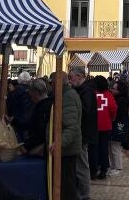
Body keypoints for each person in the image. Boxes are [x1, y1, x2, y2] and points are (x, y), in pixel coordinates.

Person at [52, 72, 82, 200]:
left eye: (52, 82)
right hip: (65, 149)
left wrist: (59, 143)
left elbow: (72, 126)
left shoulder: (68, 97)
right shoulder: (64, 95)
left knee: (67, 187)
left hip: (66, 150)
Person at [68, 66, 97, 200]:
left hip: (84, 133)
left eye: (71, 77)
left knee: (82, 165)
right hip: (83, 132)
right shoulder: (83, 89)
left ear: (79, 76)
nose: (70, 80)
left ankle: (84, 195)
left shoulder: (87, 90)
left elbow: (84, 110)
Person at [92, 76, 116, 180]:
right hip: (106, 126)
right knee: (104, 148)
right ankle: (103, 170)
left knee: (93, 148)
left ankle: (93, 169)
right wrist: (112, 118)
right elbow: (113, 108)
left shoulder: (92, 94)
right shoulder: (109, 94)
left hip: (93, 126)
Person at [23, 78, 53, 156]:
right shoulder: (43, 105)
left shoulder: (44, 107)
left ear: (36, 93)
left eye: (30, 92)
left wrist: (27, 146)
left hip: (41, 148)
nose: (29, 95)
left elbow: (40, 132)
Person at [108, 79, 129, 176]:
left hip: (118, 125)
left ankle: (117, 167)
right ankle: (113, 166)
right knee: (112, 146)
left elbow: (118, 114)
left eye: (114, 89)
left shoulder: (121, 100)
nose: (112, 90)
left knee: (115, 147)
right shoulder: (119, 98)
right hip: (117, 125)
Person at [7, 71, 35, 144]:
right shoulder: (32, 92)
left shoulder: (13, 92)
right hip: (29, 122)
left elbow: (9, 106)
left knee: (17, 142)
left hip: (16, 121)